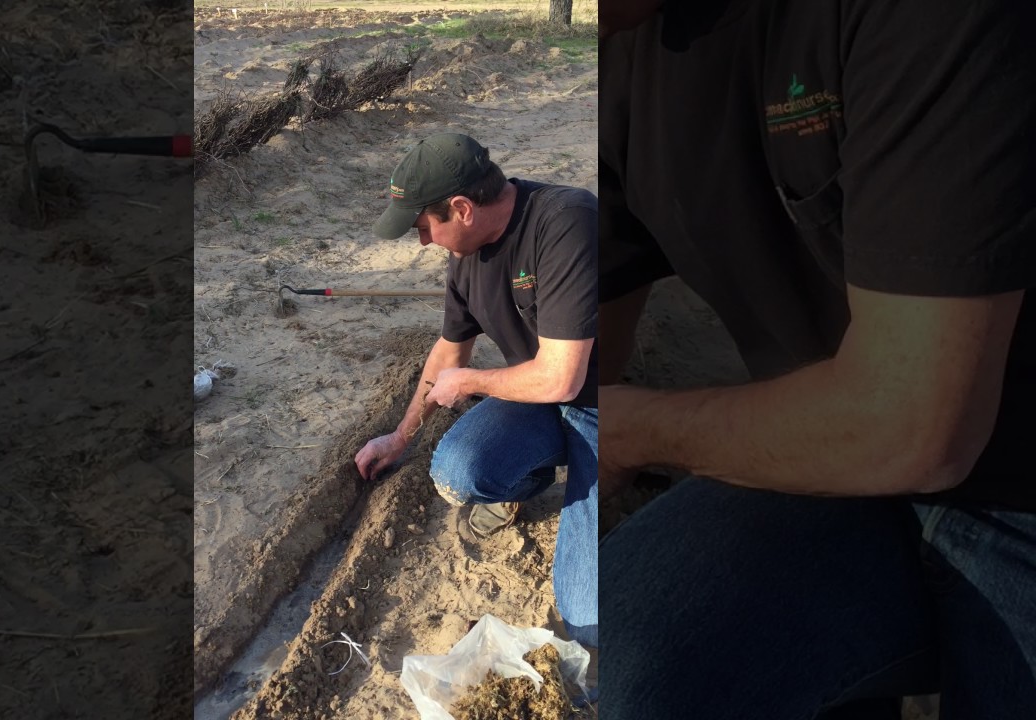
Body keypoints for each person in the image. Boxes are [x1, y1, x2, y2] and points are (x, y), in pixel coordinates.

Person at [600, 1, 1036, 718]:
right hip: (822, 461)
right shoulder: (622, 48)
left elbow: (912, 425)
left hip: (1010, 487)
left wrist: (640, 430)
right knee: (626, 665)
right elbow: (593, 350)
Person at [353, 132, 600, 648]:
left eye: (424, 227)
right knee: (458, 470)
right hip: (538, 397)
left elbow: (564, 378)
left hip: (599, 405)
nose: (422, 241)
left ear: (461, 208)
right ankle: (531, 481)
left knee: (586, 618)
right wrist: (399, 438)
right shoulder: (465, 252)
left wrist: (471, 382)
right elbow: (449, 350)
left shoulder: (567, 222)